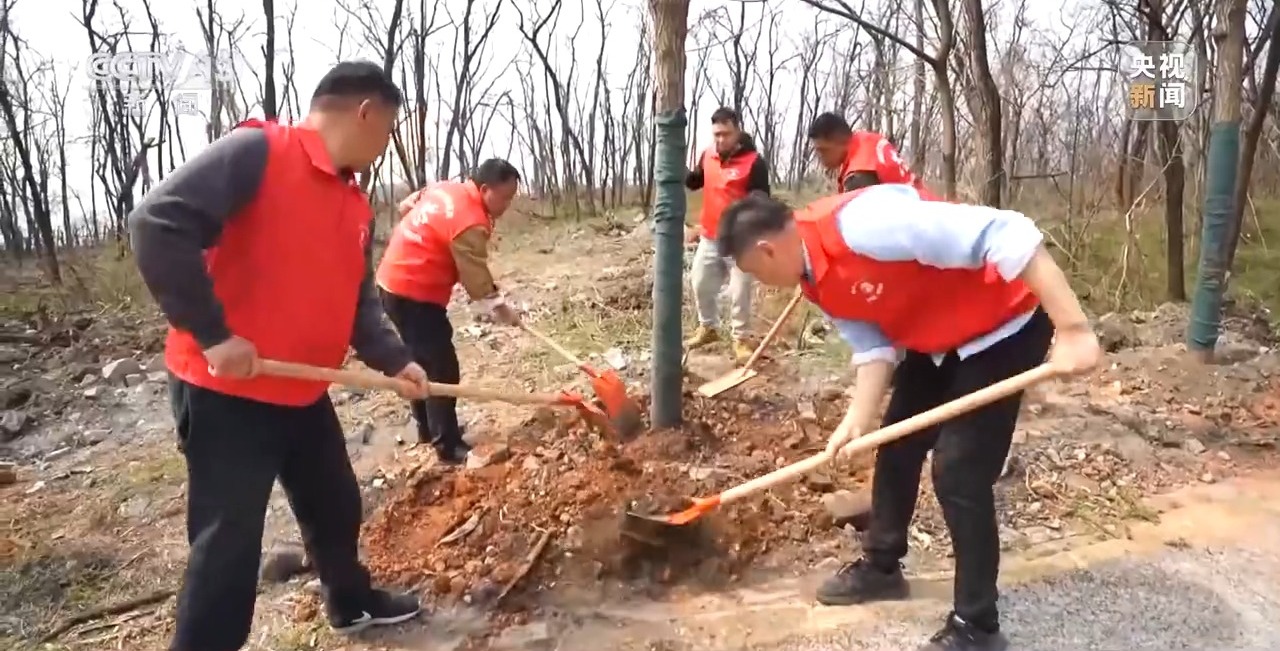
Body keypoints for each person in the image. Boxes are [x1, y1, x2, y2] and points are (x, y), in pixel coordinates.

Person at [715, 186, 1102, 651]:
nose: (764, 284)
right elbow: (873, 345)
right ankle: (882, 567)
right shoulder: (812, 274)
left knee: (958, 471)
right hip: (935, 339)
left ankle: (977, 625)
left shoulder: (864, 226)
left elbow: (1007, 230)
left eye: (757, 274)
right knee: (896, 444)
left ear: (766, 249)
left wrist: (1074, 328)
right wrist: (856, 419)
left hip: (1002, 327)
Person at [129, 61, 429, 651]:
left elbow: (356, 300)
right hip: (226, 393)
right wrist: (214, 334)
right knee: (228, 541)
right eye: (389, 130)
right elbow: (155, 222)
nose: (386, 145)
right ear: (366, 112)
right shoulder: (257, 152)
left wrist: (395, 360)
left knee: (336, 504)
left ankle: (350, 603)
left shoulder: (352, 203)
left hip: (302, 390)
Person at [375, 159, 523, 464]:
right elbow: (474, 274)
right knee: (442, 366)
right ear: (485, 189)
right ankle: (447, 445)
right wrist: (499, 307)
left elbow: (406, 206)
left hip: (389, 281)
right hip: (414, 292)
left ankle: (428, 428)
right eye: (505, 197)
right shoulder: (470, 220)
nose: (507, 205)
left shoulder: (445, 188)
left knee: (418, 358)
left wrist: (425, 239)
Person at [684, 107, 771, 360]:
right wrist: (676, 167)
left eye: (726, 134)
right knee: (699, 282)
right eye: (716, 135)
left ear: (737, 131)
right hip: (710, 236)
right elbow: (695, 182)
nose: (720, 140)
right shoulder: (707, 155)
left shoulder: (754, 162)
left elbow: (762, 200)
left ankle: (741, 339)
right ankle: (708, 327)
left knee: (739, 292)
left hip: (740, 241)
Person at [807, 112, 932, 195]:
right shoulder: (866, 141)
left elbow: (860, 227)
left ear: (840, 140)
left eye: (823, 150)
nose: (820, 158)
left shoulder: (858, 175)